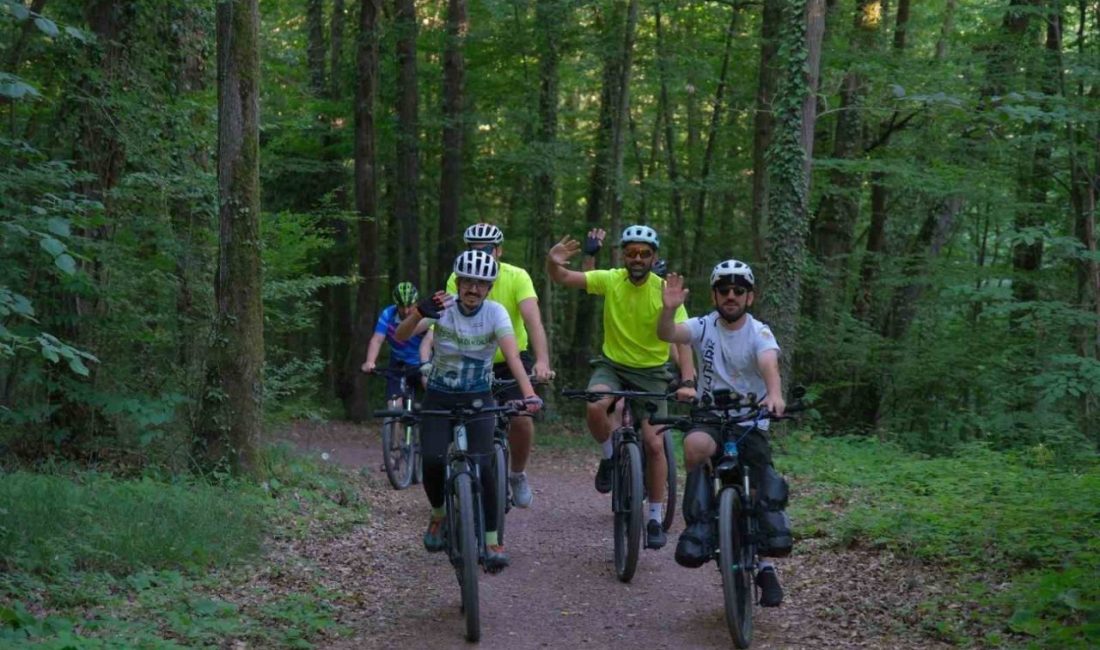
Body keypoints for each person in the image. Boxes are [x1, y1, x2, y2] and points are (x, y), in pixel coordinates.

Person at [547, 225, 696, 550]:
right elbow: (564, 278)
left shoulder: (664, 289)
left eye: (644, 253)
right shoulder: (612, 279)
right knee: (594, 404)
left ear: (654, 256)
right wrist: (553, 262)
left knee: (654, 445)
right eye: (631, 252)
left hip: (653, 372)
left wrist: (687, 380)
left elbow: (684, 340)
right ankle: (609, 456)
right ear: (623, 255)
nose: (637, 258)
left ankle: (654, 517)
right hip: (612, 366)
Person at [656, 259, 793, 607]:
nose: (731, 296)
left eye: (739, 291)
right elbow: (667, 335)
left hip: (750, 418)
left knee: (760, 475)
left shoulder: (760, 332)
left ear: (750, 297)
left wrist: (774, 396)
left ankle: (764, 566)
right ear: (715, 295)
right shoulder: (703, 326)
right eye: (724, 290)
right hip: (711, 416)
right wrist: (668, 311)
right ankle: (700, 525)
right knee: (695, 446)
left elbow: (769, 365)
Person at [395, 250, 542, 571]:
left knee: (485, 465)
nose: (473, 289)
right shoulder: (441, 307)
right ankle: (438, 516)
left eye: (481, 284)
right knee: (432, 460)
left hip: (478, 398)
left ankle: (492, 540)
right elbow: (401, 335)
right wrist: (418, 312)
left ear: (489, 288)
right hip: (439, 397)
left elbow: (513, 356)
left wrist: (529, 394)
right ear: (457, 283)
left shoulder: (496, 313)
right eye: (467, 282)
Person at [437, 223, 553, 509]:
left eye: (487, 249)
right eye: (473, 249)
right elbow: (443, 318)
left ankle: (517, 474)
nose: (481, 254)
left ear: (498, 250)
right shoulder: (458, 277)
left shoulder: (517, 276)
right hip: (470, 359)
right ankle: (461, 472)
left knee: (522, 417)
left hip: (509, 360)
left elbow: (533, 321)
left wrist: (542, 361)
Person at [361, 281, 427, 405]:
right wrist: (370, 361)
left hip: (421, 363)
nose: (406, 311)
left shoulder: (425, 316)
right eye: (402, 306)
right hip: (398, 363)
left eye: (410, 306)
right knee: (394, 406)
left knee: (432, 399)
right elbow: (377, 339)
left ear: (416, 303)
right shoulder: (388, 314)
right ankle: (394, 423)